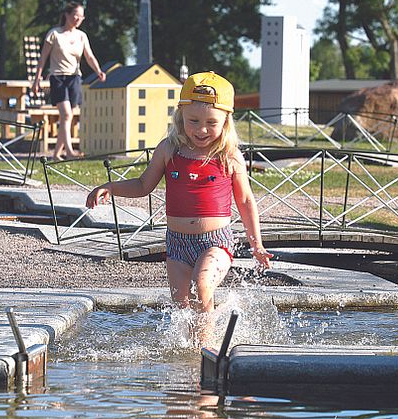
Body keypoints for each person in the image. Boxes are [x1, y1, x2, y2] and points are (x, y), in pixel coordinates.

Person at [86, 71, 273, 320]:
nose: (202, 129)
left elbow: (246, 201)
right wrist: (111, 187)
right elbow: (143, 185)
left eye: (211, 123)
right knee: (182, 310)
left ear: (226, 121)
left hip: (215, 242)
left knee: (201, 286)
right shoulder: (168, 149)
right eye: (193, 121)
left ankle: (208, 351)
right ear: (180, 115)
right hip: (177, 243)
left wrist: (256, 244)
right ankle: (190, 355)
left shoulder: (228, 155)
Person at [31, 1, 106, 161]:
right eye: (75, 15)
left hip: (75, 78)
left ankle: (56, 154)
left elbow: (89, 56)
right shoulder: (54, 34)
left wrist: (98, 70)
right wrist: (36, 79)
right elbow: (43, 58)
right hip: (58, 77)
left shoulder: (81, 36)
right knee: (66, 114)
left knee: (69, 116)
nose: (78, 18)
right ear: (67, 15)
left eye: (81, 16)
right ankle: (70, 151)